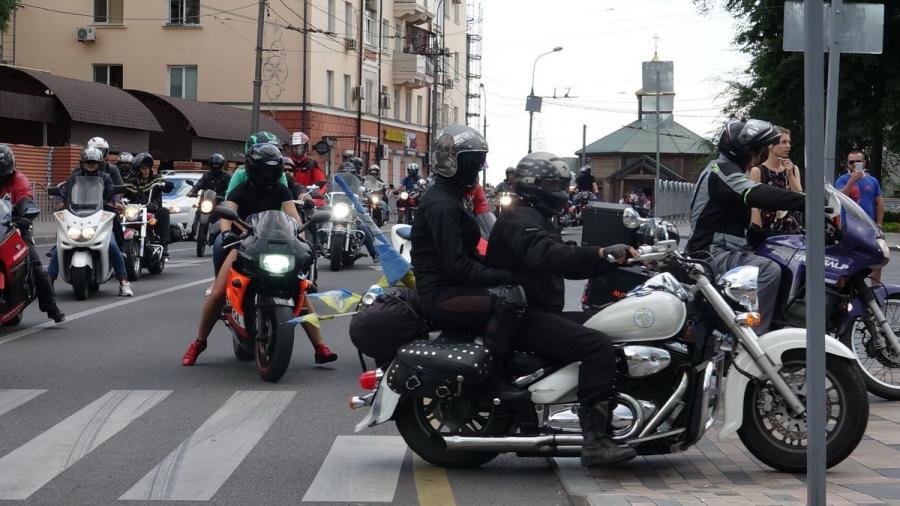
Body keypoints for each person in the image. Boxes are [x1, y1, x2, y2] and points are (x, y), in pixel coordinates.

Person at [486, 151, 637, 466]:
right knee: (597, 344)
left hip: (538, 310)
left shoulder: (535, 216)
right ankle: (595, 442)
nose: (559, 191)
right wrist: (600, 254)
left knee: (613, 322)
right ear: (532, 185)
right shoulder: (519, 218)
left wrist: (614, 259)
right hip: (522, 315)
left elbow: (565, 259)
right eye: (553, 184)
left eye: (560, 184)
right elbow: (548, 254)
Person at [410, 124, 536, 402]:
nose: (477, 169)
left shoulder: (453, 197)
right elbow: (456, 266)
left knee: (518, 288)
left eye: (479, 163)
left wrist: (504, 267)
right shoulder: (442, 205)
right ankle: (494, 379)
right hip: (441, 293)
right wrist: (505, 276)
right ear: (451, 162)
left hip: (451, 285)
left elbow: (468, 255)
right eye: (472, 163)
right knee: (510, 300)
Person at [181, 143, 337, 366]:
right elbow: (228, 213)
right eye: (264, 170)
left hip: (277, 245)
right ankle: (199, 342)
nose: (268, 175)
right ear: (254, 169)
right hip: (244, 245)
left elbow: (293, 215)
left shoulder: (281, 190)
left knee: (300, 291)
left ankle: (320, 346)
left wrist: (300, 235)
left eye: (272, 170)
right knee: (217, 293)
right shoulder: (240, 190)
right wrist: (226, 233)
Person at [686, 119, 805, 334]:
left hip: (724, 249)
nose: (759, 157)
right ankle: (754, 338)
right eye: (757, 151)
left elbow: (730, 222)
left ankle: (773, 327)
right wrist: (807, 201)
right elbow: (755, 193)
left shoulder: (727, 170)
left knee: (782, 264)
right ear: (742, 151)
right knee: (768, 270)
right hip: (709, 253)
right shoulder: (722, 170)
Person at [50, 147, 133, 297]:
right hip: (76, 214)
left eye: (94, 163)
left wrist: (115, 202)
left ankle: (124, 281)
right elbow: (63, 191)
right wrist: (59, 201)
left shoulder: (106, 177)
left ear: (99, 164)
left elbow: (113, 191)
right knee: (59, 246)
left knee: (112, 245)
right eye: (88, 162)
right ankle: (48, 283)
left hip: (101, 214)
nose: (90, 165)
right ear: (82, 163)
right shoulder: (74, 178)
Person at [0, 145, 66, 322]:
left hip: (14, 228)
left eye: (3, 172)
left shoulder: (19, 179)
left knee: (35, 264)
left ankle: (51, 307)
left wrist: (26, 214)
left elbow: (25, 199)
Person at [836, 149, 884, 281]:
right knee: (849, 260)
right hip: (849, 227)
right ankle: (851, 290)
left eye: (858, 161)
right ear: (847, 164)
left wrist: (879, 224)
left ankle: (875, 289)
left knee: (877, 259)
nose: (854, 165)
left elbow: (879, 203)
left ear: (864, 163)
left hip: (870, 227)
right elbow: (840, 197)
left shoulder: (872, 181)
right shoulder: (842, 179)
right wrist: (852, 181)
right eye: (851, 162)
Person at [749, 126, 802, 235]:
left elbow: (799, 198)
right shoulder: (758, 171)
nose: (788, 146)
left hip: (792, 231)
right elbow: (754, 207)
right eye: (783, 142)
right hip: (768, 230)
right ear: (770, 145)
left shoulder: (793, 169)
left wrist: (790, 175)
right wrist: (758, 233)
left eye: (789, 142)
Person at [124, 153, 174, 257]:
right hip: (136, 212)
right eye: (143, 168)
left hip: (153, 210)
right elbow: (122, 193)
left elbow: (167, 186)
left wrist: (167, 185)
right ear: (137, 170)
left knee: (164, 211)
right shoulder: (131, 182)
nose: (146, 170)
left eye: (148, 168)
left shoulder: (155, 179)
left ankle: (164, 245)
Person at [188, 153, 231, 238]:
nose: (215, 166)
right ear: (210, 164)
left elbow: (230, 188)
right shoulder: (207, 175)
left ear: (221, 165)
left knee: (223, 212)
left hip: (220, 200)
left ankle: (221, 232)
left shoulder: (226, 176)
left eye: (217, 164)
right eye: (213, 164)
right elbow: (199, 184)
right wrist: (192, 191)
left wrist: (227, 196)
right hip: (207, 199)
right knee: (198, 211)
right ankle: (194, 231)